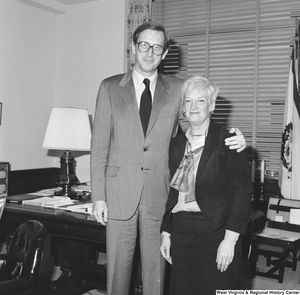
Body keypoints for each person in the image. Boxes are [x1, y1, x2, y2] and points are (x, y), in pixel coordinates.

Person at [91, 21, 247, 295]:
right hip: (119, 195)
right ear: (133, 48)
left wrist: (233, 138)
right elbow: (99, 146)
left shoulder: (177, 89)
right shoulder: (109, 88)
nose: (150, 52)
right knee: (116, 274)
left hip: (159, 195)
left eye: (157, 47)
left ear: (164, 54)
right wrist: (98, 197)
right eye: (144, 45)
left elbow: (197, 128)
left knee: (157, 276)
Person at [160, 76, 252, 295]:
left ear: (212, 105)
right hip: (182, 232)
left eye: (200, 101)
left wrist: (230, 240)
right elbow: (171, 193)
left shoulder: (228, 141)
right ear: (182, 107)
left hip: (216, 232)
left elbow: (242, 194)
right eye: (188, 101)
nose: (193, 106)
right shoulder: (176, 144)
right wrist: (166, 232)